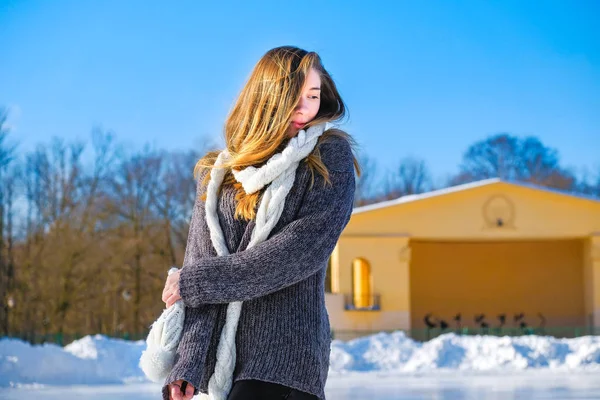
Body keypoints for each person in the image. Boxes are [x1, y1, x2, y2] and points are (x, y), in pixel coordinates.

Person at [160, 45, 361, 400]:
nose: (305, 109)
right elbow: (199, 265)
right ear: (267, 98)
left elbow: (301, 251)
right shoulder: (217, 174)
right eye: (293, 97)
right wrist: (188, 362)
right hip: (222, 368)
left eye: (313, 96)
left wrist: (199, 281)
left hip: (285, 362)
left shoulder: (329, 156)